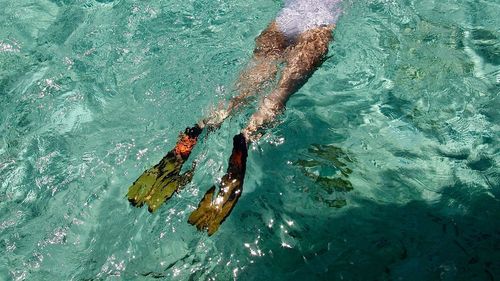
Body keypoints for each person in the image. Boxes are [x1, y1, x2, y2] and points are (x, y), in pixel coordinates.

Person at [127, 0, 343, 235]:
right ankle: (244, 143)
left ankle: (197, 130)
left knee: (239, 94)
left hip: (285, 21)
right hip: (319, 29)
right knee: (276, 98)